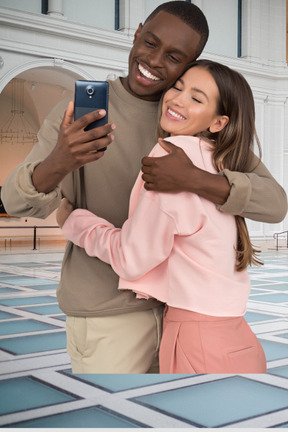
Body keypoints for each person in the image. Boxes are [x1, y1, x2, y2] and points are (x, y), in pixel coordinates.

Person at [1, 2, 285, 373]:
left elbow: (274, 203)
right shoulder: (75, 115)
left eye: (174, 57)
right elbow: (17, 203)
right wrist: (60, 160)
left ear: (191, 63)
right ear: (136, 35)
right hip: (109, 314)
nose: (154, 60)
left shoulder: (191, 124)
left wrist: (194, 179)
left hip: (181, 315)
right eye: (150, 43)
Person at [57, 60, 267, 373]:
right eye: (178, 87)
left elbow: (132, 258)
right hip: (237, 335)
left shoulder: (170, 156)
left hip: (196, 338)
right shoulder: (223, 161)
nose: (178, 99)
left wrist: (74, 222)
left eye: (196, 99)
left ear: (219, 122)